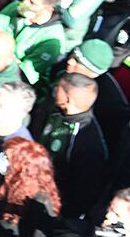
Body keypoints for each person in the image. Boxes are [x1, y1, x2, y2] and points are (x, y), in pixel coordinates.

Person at [31, 72, 108, 219]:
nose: (53, 91)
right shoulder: (52, 110)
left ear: (67, 99)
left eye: (58, 89)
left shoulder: (87, 142)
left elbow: (82, 193)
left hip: (48, 206)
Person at [0, 0, 69, 85]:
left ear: (48, 9)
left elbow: (26, 74)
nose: (24, 3)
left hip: (14, 84)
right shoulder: (15, 8)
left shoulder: (52, 39)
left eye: (32, 2)